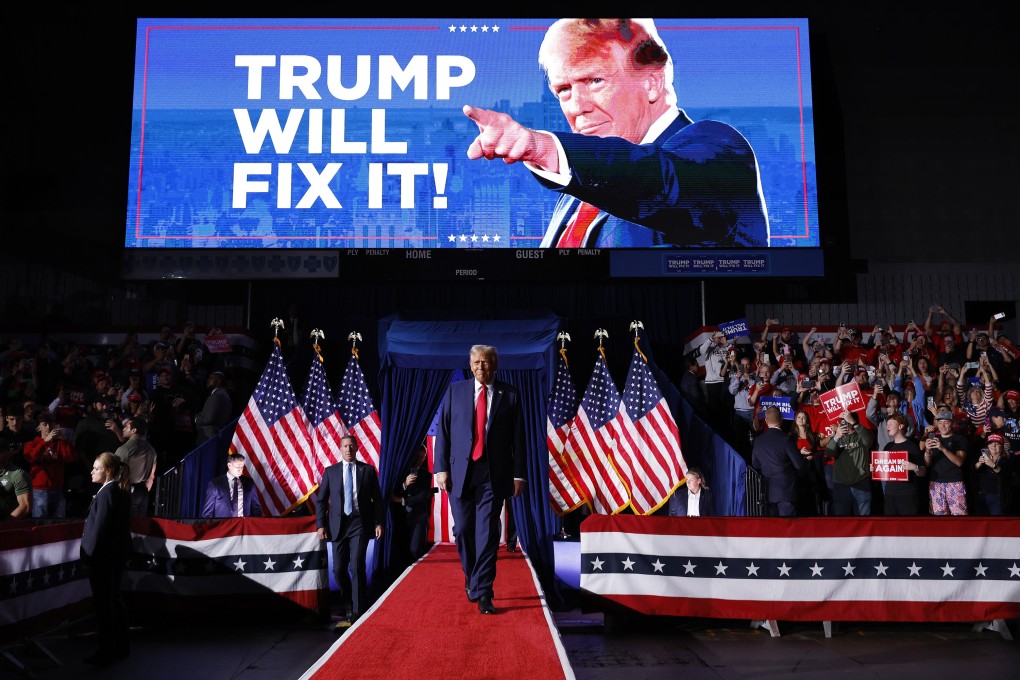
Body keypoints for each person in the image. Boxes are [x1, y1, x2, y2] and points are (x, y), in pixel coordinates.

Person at [463, 18, 769, 248]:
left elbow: (659, 180)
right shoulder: (579, 191)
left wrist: (543, 147)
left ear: (652, 82)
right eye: (564, 90)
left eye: (595, 80)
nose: (577, 107)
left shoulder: (717, 148)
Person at [434, 344, 527, 615]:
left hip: (493, 474)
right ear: (470, 364)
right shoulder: (456, 391)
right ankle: (472, 574)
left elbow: (518, 438)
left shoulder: (509, 394)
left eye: (485, 362)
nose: (480, 367)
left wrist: (518, 474)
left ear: (494, 365)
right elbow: (444, 432)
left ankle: (484, 590)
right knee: (463, 531)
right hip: (460, 473)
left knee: (487, 534)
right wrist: (441, 468)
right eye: (476, 362)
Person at [315, 435, 384, 628]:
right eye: (345, 446)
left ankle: (358, 610)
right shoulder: (331, 472)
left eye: (351, 446)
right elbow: (321, 501)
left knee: (356, 566)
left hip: (359, 524)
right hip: (338, 526)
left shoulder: (368, 470)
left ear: (357, 448)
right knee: (338, 570)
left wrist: (379, 522)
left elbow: (377, 500)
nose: (348, 449)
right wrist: (320, 525)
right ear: (340, 448)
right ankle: (349, 602)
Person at [80, 451, 132, 666]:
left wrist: (89, 556)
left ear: (108, 471)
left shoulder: (108, 493)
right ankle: (120, 646)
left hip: (103, 559)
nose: (92, 471)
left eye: (96, 468)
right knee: (113, 601)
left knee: (105, 606)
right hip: (113, 557)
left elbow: (100, 529)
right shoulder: (115, 491)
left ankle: (106, 650)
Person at [751, 406, 805, 517]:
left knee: (773, 530)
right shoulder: (786, 439)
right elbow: (799, 465)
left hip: (768, 492)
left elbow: (755, 464)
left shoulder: (758, 441)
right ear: (781, 419)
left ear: (766, 421)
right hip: (786, 492)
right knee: (788, 529)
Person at [22, 411, 76, 518]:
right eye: (44, 424)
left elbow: (70, 458)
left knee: (59, 522)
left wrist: (64, 440)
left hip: (58, 488)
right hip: (40, 490)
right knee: (40, 522)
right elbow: (31, 457)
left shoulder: (60, 443)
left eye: (51, 423)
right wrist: (45, 442)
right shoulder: (32, 444)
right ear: (38, 427)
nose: (48, 427)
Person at [825, 409, 875, 516]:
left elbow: (869, 440)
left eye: (847, 420)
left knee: (863, 520)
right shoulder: (838, 437)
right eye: (842, 421)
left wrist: (854, 423)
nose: (844, 423)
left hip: (861, 482)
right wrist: (837, 436)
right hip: (841, 485)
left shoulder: (860, 435)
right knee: (842, 521)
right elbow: (829, 453)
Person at [391, 442, 435, 563]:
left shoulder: (426, 475)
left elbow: (422, 496)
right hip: (402, 517)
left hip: (418, 517)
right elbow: (393, 492)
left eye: (423, 457)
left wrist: (402, 500)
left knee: (415, 549)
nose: (421, 460)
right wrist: (405, 484)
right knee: (403, 550)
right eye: (419, 456)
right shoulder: (400, 472)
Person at [923, 408, 969, 515]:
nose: (942, 426)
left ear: (952, 423)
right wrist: (927, 450)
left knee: (959, 517)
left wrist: (943, 448)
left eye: (946, 422)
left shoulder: (960, 439)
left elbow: (959, 462)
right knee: (939, 520)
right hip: (936, 483)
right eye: (940, 423)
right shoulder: (934, 439)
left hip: (955, 483)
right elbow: (927, 463)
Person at [881, 412, 926, 516]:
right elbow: (884, 470)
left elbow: (923, 472)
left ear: (901, 426)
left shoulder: (912, 446)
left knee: (908, 528)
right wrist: (876, 469)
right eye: (887, 425)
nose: (887, 427)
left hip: (907, 495)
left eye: (891, 424)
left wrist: (914, 467)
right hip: (889, 494)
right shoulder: (887, 447)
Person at [113, 417, 158, 517]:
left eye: (126, 427)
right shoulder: (151, 450)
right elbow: (152, 475)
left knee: (125, 525)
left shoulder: (125, 449)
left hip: (127, 491)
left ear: (134, 430)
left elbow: (115, 473)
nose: (123, 429)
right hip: (143, 492)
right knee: (139, 527)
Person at [202, 452, 262, 518]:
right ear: (229, 465)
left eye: (242, 467)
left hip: (244, 526)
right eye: (238, 467)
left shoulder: (249, 482)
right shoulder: (215, 484)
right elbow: (207, 514)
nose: (240, 470)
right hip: (224, 526)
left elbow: (256, 509)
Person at [970, 432, 1010, 516]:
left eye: (997, 444)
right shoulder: (981, 457)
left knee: (997, 523)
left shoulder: (1006, 460)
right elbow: (971, 473)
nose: (993, 446)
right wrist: (978, 464)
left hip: (998, 496)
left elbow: (1005, 475)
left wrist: (993, 465)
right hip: (982, 495)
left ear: (1002, 446)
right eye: (991, 443)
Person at [194, 370, 232, 444]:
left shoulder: (216, 396)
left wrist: (196, 419)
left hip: (207, 438)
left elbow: (208, 419)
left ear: (219, 381)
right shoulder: (224, 394)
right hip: (216, 436)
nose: (208, 380)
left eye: (211, 378)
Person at [0, 442, 31, 520]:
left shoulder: (18, 474)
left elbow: (25, 507)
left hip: (9, 524)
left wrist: (4, 525)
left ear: (7, 453)